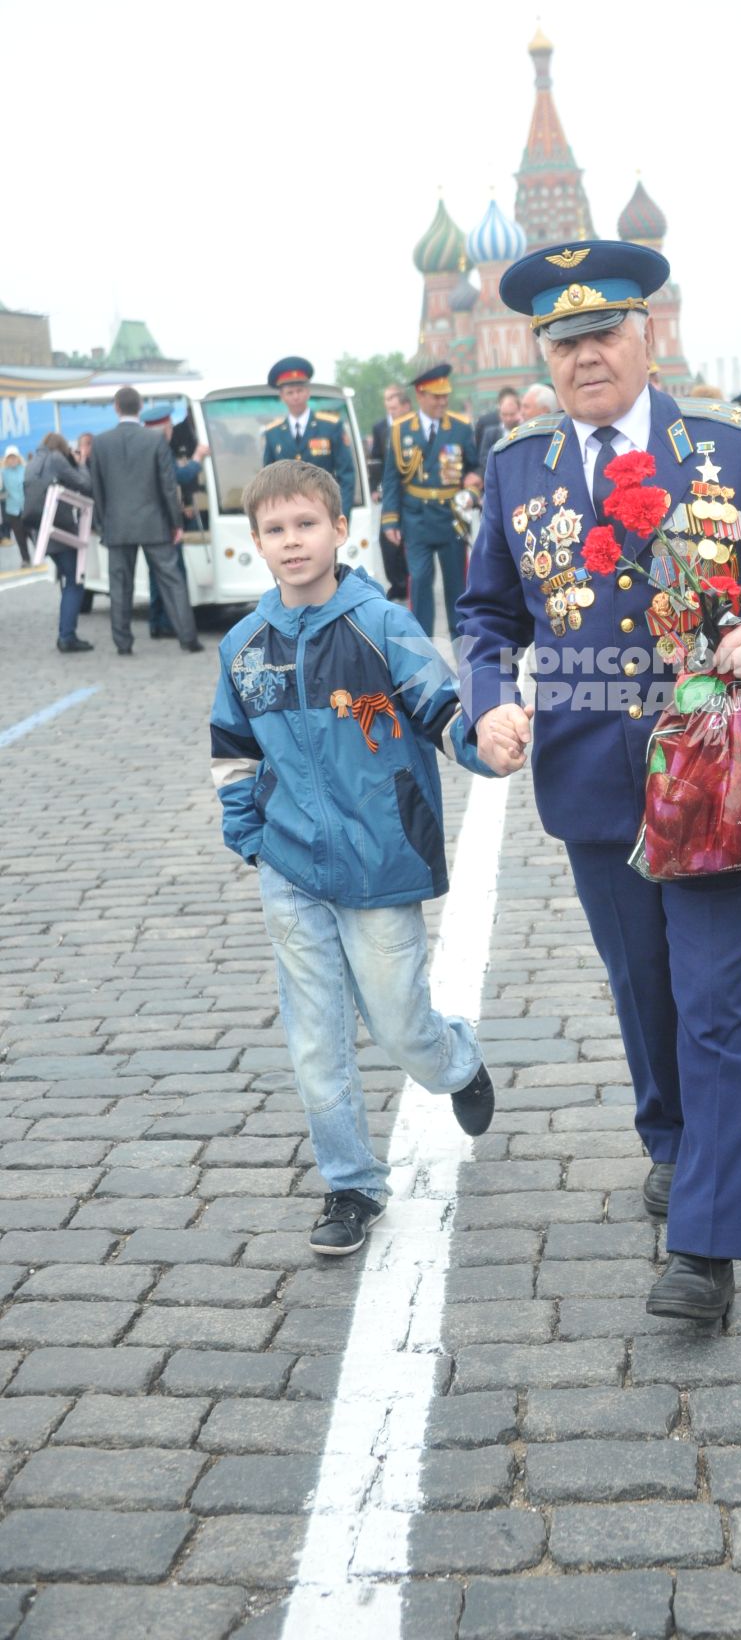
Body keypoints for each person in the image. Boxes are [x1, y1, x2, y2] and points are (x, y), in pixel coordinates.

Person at [457, 238, 741, 1323]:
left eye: (603, 333)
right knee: (642, 990)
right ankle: (669, 1139)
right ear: (543, 351)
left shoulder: (723, 445)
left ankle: (704, 1249)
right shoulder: (518, 465)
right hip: (587, 773)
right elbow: (487, 612)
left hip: (711, 768)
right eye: (562, 340)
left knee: (713, 997)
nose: (583, 357)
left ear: (645, 335)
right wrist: (487, 693)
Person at [210, 459, 495, 1257]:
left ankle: (458, 1061)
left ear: (342, 530)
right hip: (290, 868)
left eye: (307, 525)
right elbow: (232, 749)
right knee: (314, 1038)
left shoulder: (382, 623)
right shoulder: (244, 645)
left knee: (403, 1030)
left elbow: (442, 709)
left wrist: (485, 745)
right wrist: (250, 832)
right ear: (256, 543)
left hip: (378, 866)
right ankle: (349, 1184)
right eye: (275, 529)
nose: (292, 541)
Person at [89, 385, 203, 656]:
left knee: (120, 585)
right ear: (140, 408)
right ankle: (188, 638)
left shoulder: (100, 442)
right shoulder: (155, 441)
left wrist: (104, 523)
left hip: (117, 524)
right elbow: (167, 486)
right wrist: (175, 522)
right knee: (172, 581)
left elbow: (98, 488)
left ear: (116, 407)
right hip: (154, 523)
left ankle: (123, 643)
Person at [380, 361, 481, 639]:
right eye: (437, 396)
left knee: (457, 585)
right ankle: (421, 648)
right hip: (416, 517)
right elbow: (392, 478)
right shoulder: (401, 430)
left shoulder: (460, 427)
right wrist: (391, 519)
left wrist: (472, 489)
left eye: (445, 395)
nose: (443, 401)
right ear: (420, 395)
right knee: (421, 581)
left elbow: (474, 467)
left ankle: (462, 646)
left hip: (453, 516)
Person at [142, 403, 210, 640]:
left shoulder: (143, 448)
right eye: (169, 426)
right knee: (174, 574)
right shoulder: (161, 448)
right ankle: (172, 624)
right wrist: (197, 458)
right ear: (165, 428)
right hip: (164, 522)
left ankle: (156, 621)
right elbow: (177, 477)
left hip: (146, 523)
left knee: (155, 575)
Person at [22, 432, 93, 651]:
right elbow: (84, 484)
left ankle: (66, 632)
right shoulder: (57, 459)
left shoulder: (33, 462)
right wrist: (80, 463)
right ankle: (67, 636)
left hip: (40, 530)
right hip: (59, 529)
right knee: (75, 581)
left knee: (67, 577)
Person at [261, 358, 356, 519]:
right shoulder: (273, 432)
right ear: (282, 396)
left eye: (299, 391)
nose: (295, 397)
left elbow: (346, 475)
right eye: (290, 393)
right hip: (287, 514)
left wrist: (342, 515)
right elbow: (268, 479)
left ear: (308, 392)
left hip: (324, 511)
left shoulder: (330, 426)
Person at [368, 383, 412, 601]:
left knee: (407, 536)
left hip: (411, 488)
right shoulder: (381, 428)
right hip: (390, 488)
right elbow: (375, 459)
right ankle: (397, 582)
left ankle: (408, 580)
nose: (391, 412)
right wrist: (375, 486)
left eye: (395, 407)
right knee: (386, 537)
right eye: (388, 407)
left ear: (406, 406)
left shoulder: (413, 427)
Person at [476, 387, 522, 472]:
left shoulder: (525, 432)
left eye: (512, 414)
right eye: (505, 414)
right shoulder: (490, 433)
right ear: (499, 413)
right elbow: (483, 458)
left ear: (519, 411)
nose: (508, 419)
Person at [2, 445, 32, 565]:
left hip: (27, 507)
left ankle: (44, 555)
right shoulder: (3, 473)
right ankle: (26, 559)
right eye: (9, 458)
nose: (12, 460)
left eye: (14, 457)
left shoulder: (25, 469)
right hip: (12, 509)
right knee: (20, 536)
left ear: (18, 458)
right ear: (6, 459)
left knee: (33, 532)